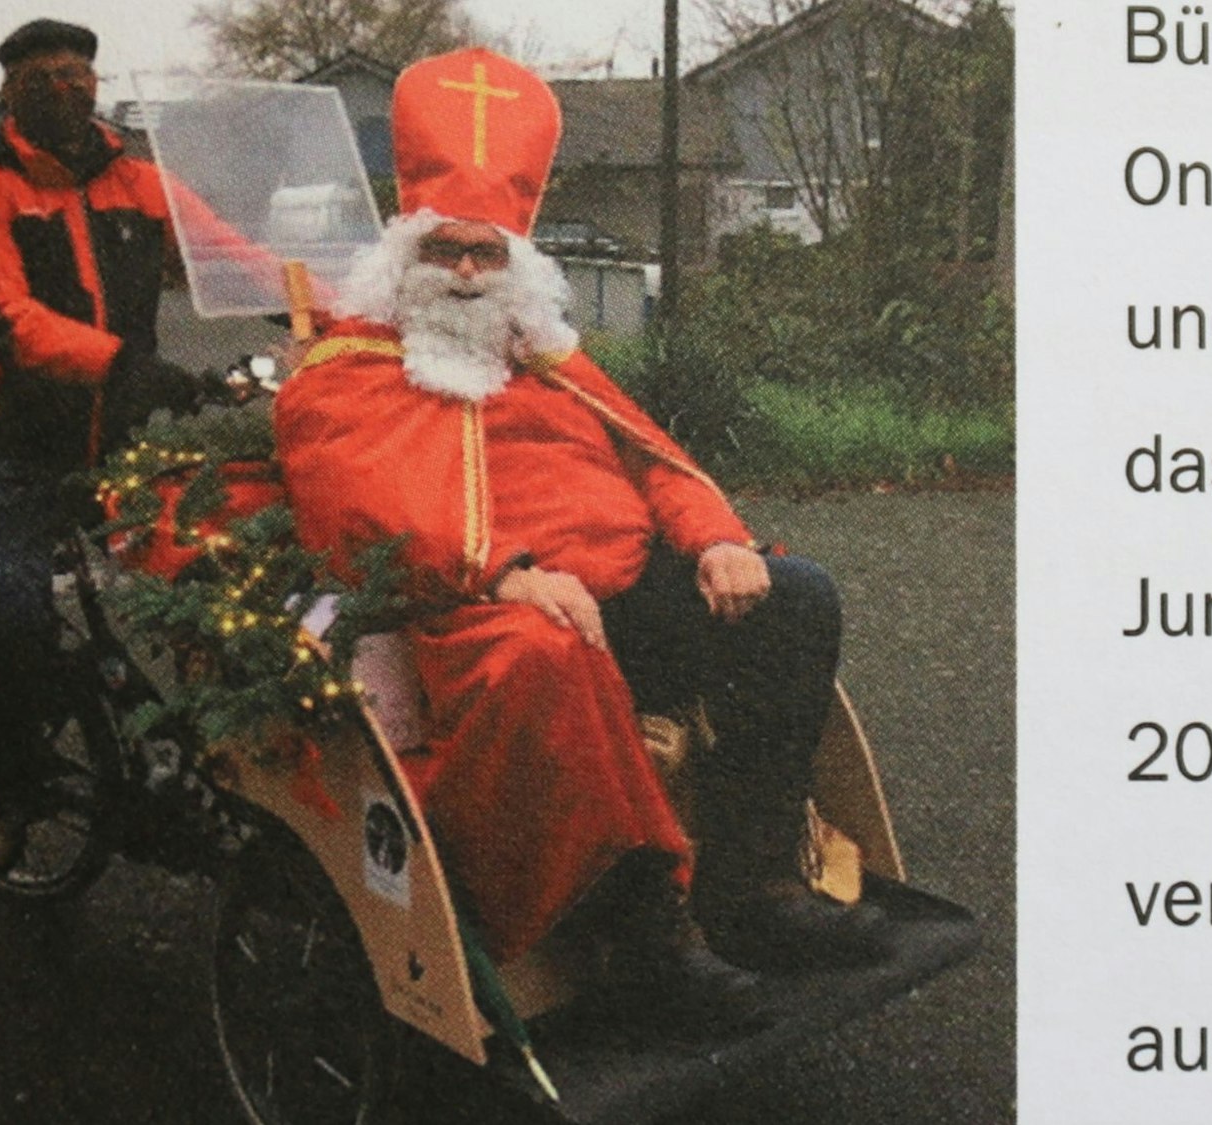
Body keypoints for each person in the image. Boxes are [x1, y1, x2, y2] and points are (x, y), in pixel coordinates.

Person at [273, 48, 887, 1015]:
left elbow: (650, 459)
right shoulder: (348, 370)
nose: (466, 272)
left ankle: (757, 887)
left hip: (618, 591)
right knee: (548, 649)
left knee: (797, 597)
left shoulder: (547, 357)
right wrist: (508, 574)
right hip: (471, 609)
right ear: (405, 256)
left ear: (516, 266)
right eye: (445, 251)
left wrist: (716, 537)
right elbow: (357, 503)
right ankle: (642, 936)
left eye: (487, 254)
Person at [0, 19, 197, 867]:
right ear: (8, 93)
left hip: (117, 451)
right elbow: (3, 317)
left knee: (226, 569)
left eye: (78, 72)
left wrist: (342, 314)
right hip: (9, 453)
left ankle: (233, 752)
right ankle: (10, 784)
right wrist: (122, 366)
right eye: (43, 75)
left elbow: (231, 259)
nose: (65, 87)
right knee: (13, 603)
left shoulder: (141, 183)